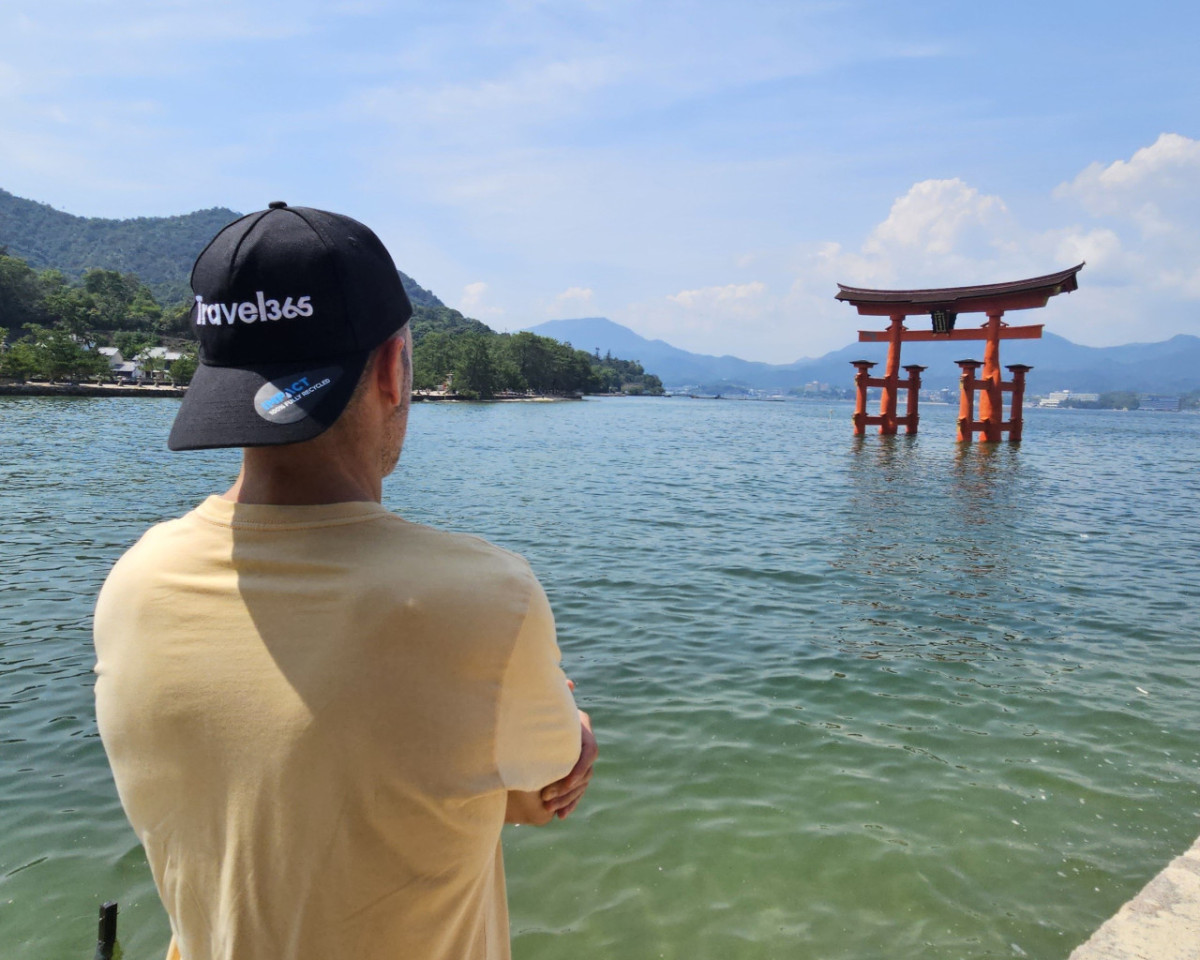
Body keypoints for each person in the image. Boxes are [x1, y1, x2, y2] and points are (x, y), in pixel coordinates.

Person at [93, 202, 597, 960]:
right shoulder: (485, 601)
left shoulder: (133, 585)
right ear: (394, 369)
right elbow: (539, 790)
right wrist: (574, 729)